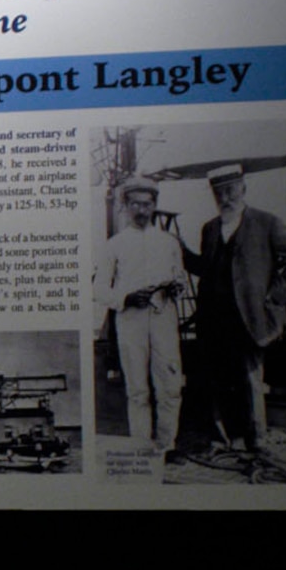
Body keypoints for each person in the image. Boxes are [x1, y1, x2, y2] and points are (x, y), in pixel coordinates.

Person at [184, 164, 286, 454]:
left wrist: (273, 297)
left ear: (243, 189)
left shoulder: (267, 223)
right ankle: (222, 439)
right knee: (217, 378)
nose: (225, 197)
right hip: (214, 319)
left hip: (249, 317)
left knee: (250, 378)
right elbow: (206, 268)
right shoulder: (210, 228)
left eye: (230, 190)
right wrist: (179, 251)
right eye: (219, 192)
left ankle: (257, 440)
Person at [94, 176, 186, 461]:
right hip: (131, 322)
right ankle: (142, 447)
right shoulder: (115, 245)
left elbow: (180, 277)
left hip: (163, 319)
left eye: (147, 204)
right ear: (126, 206)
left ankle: (166, 444)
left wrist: (176, 287)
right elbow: (98, 289)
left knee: (169, 385)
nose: (142, 211)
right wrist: (125, 299)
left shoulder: (169, 242)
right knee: (137, 388)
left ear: (154, 206)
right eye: (135, 204)